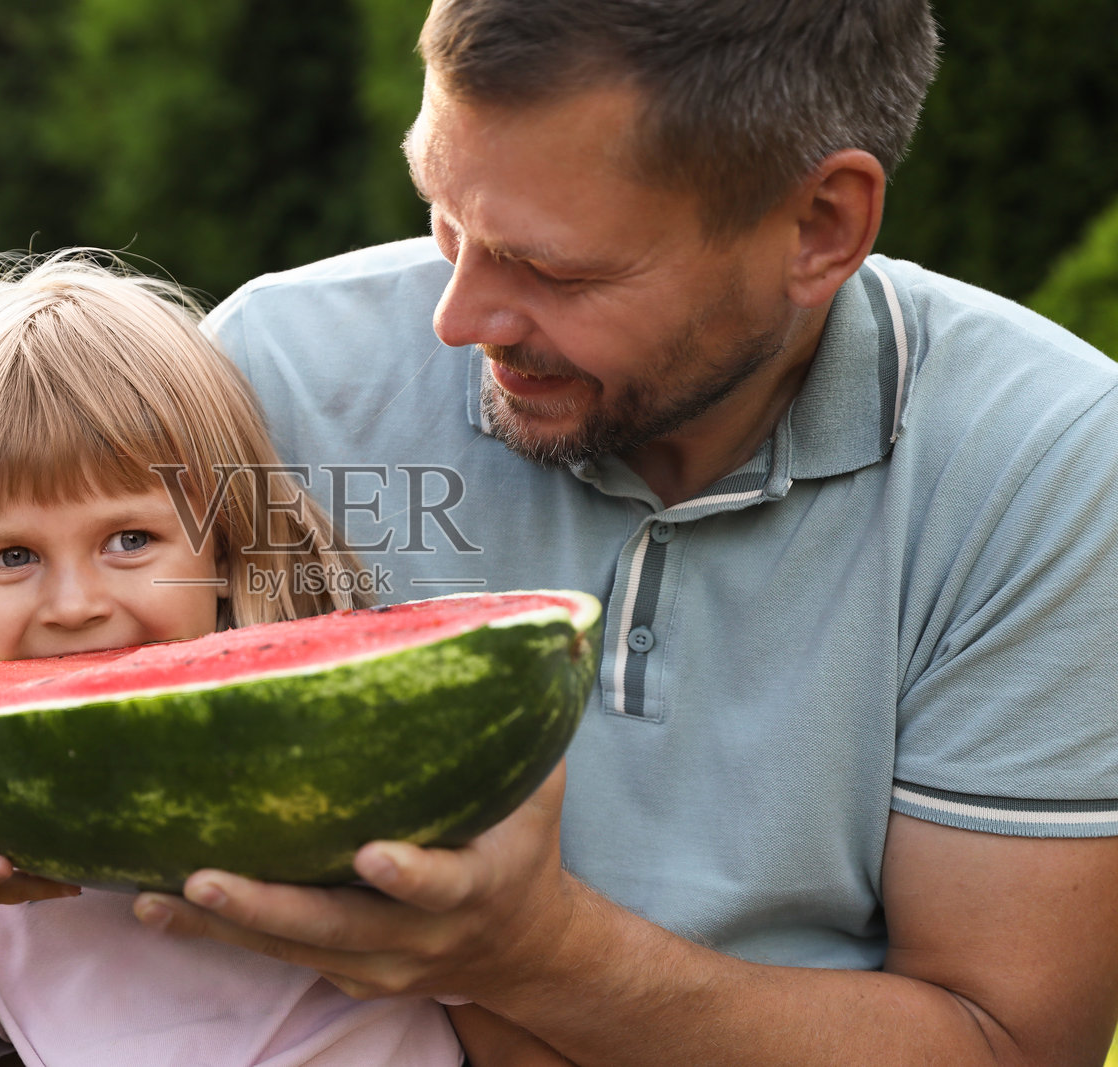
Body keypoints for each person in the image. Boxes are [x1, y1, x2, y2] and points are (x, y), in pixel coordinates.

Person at [127, 2, 1118, 1064]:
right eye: (443, 214)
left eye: (557, 270)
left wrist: (533, 956)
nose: (457, 319)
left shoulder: (1046, 461)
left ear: (820, 226)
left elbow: (1006, 1040)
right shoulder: (268, 376)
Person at [0, 251, 470, 1066]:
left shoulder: (359, 778)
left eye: (130, 540)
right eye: (12, 556)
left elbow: (504, 1012)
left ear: (230, 552)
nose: (74, 604)